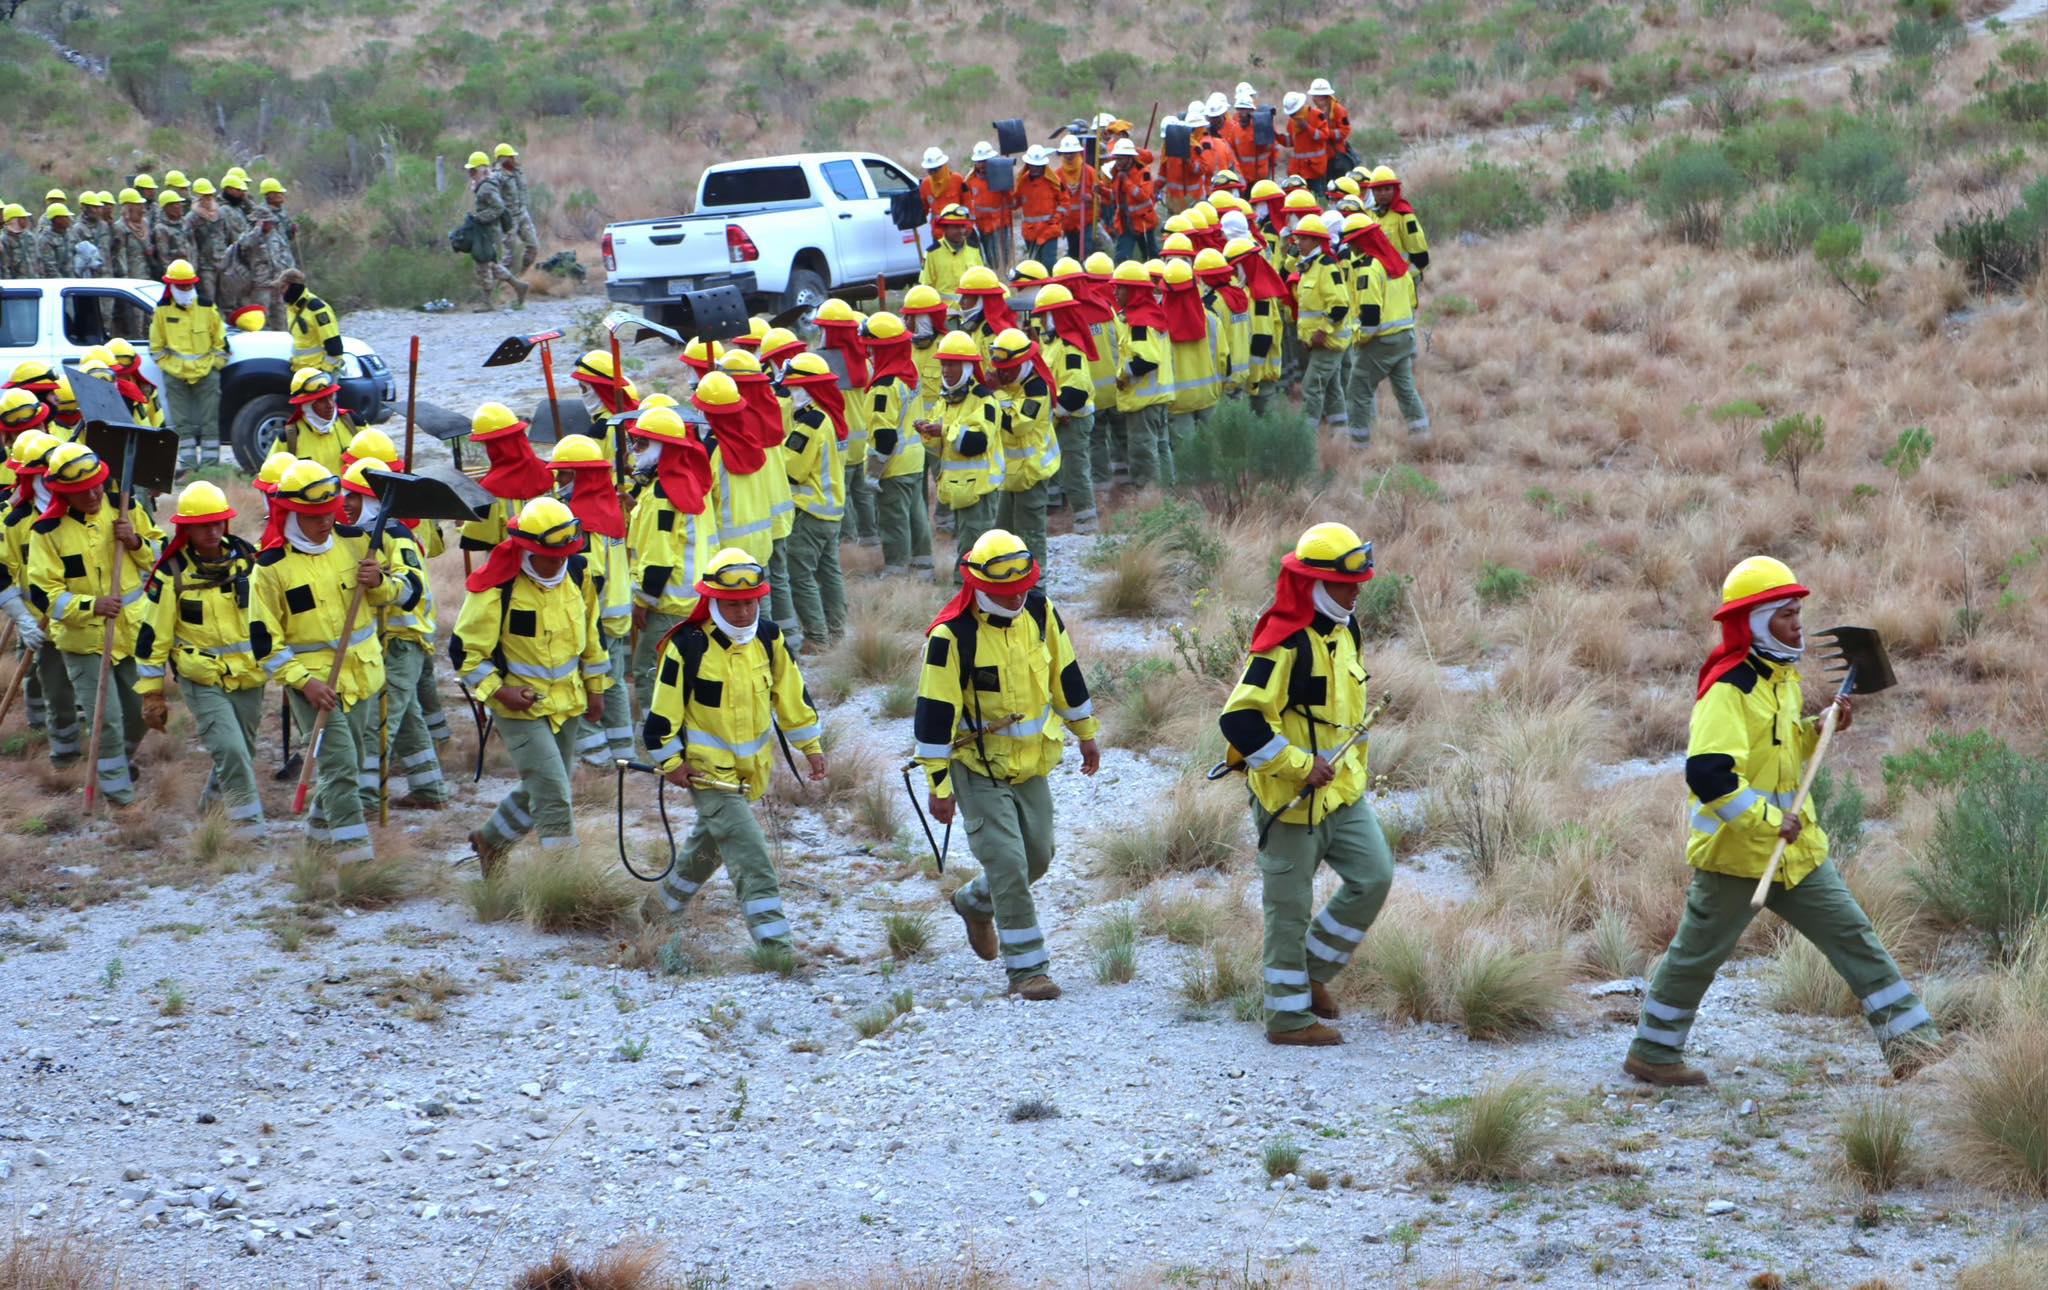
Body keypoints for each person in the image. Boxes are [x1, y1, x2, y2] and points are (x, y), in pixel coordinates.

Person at [1627, 557, 1940, 1086]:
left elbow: (1778, 748)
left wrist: (1818, 728)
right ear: (1754, 622)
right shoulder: (1728, 689)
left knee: (1855, 938)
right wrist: (1768, 821)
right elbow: (1708, 774)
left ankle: (1916, 1050)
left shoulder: (1782, 679)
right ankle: (1653, 1054)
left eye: (1798, 613)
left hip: (1798, 854)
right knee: (1695, 957)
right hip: (1735, 858)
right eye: (1786, 614)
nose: (1798, 624)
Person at [1218, 522, 1392, 1046]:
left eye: (1359, 582)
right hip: (1289, 804)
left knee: (1374, 876)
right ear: (1314, 583)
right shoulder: (1282, 644)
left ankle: (1311, 973)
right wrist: (1298, 765)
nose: (1357, 591)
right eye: (1346, 583)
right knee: (1288, 913)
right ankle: (1288, 1019)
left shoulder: (1346, 629)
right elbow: (1239, 721)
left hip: (1342, 795)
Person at [914, 529, 1100, 1000]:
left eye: (1022, 586)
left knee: (1038, 857)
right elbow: (934, 716)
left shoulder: (1040, 611)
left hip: (1031, 765)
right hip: (977, 769)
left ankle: (975, 903)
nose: (1016, 596)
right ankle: (1027, 971)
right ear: (979, 585)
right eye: (1005, 590)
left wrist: (1085, 733)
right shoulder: (951, 636)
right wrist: (939, 785)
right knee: (1009, 863)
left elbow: (1066, 673)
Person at [642, 546, 827, 950]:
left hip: (751, 773)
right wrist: (671, 763)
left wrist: (811, 747)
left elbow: (792, 697)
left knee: (710, 844)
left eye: (750, 602)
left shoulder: (769, 638)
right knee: (750, 853)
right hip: (707, 774)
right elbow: (661, 717)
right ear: (713, 602)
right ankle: (775, 947)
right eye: (732, 604)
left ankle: (659, 910)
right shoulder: (686, 646)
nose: (743, 612)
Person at [250, 460, 403, 862]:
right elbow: (264, 644)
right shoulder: (270, 568)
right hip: (315, 688)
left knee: (350, 762)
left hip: (364, 678)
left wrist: (380, 582)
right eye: (313, 516)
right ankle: (357, 862)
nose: (325, 522)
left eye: (328, 512)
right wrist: (304, 683)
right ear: (290, 513)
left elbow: (401, 594)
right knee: (340, 767)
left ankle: (316, 846)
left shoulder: (357, 543)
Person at [456, 496, 609, 874]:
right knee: (553, 790)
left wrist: (596, 688)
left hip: (568, 702)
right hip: (518, 707)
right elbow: (465, 654)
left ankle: (491, 841)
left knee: (546, 782)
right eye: (550, 555)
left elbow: (593, 635)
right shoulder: (497, 584)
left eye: (565, 553)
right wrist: (499, 692)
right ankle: (564, 877)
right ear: (527, 548)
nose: (559, 561)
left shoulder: (579, 573)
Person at [27, 443, 163, 808]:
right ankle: (120, 800)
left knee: (141, 714)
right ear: (63, 493)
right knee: (107, 719)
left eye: (96, 486)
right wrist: (91, 606)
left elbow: (161, 554)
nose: (92, 495)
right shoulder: (47, 531)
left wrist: (135, 541)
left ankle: (117, 764)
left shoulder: (125, 507)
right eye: (81, 490)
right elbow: (45, 595)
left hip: (130, 633)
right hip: (82, 640)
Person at [133, 480, 267, 835]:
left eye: (217, 522)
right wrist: (152, 692)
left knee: (241, 751)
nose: (212, 531)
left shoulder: (249, 562)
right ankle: (249, 830)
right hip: (202, 678)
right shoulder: (171, 573)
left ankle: (210, 807)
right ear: (186, 529)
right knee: (231, 750)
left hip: (249, 675)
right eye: (202, 525)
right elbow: (153, 637)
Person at [337, 459, 446, 814]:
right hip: (384, 641)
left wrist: (381, 582)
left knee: (378, 724)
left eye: (353, 496)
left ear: (372, 498)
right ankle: (429, 789)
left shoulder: (395, 534)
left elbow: (413, 588)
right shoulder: (364, 535)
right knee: (409, 721)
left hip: (402, 642)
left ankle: (366, 800)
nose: (345, 503)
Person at [621, 405, 716, 753]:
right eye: (635, 442)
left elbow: (659, 560)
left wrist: (642, 602)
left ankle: (657, 740)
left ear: (663, 447)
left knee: (648, 668)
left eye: (642, 443)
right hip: (694, 598)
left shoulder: (662, 495)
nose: (635, 450)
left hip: (668, 603)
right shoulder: (684, 484)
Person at [778, 352, 848, 650]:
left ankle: (817, 638)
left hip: (810, 513)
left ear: (809, 388)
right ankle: (837, 631)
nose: (790, 393)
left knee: (800, 575)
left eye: (794, 387)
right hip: (831, 511)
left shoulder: (811, 422)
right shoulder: (828, 417)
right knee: (829, 573)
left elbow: (792, 470)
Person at [920, 331, 1004, 573]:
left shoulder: (984, 400)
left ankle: (966, 588)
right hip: (956, 490)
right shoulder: (944, 400)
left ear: (967, 366)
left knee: (975, 550)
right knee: (967, 548)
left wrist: (944, 431)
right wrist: (927, 433)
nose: (946, 370)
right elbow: (938, 449)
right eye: (943, 364)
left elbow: (978, 443)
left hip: (978, 491)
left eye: (952, 364)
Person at [1341, 213, 1429, 444]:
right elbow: (1413, 302)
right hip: (1405, 338)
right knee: (1405, 389)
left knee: (1358, 390)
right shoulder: (1397, 264)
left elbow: (1370, 315)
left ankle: (1358, 445)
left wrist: (1361, 339)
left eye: (1351, 242)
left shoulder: (1369, 269)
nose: (1350, 247)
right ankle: (1422, 437)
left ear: (1361, 242)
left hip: (1380, 341)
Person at [858, 311, 932, 576]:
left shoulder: (884, 387)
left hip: (894, 464)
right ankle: (924, 568)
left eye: (871, 348)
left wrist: (873, 472)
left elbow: (885, 436)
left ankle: (896, 571)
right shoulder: (909, 372)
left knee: (894, 520)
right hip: (914, 459)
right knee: (917, 515)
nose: (868, 353)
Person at [986, 328, 1059, 565]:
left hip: (1031, 473)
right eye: (1000, 368)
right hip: (1008, 475)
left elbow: (1015, 424)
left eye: (1008, 368)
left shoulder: (1037, 388)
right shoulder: (1009, 384)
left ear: (1023, 363)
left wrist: (996, 392)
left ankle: (1038, 580)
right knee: (1003, 533)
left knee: (1030, 534)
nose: (1003, 373)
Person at [147, 260, 227, 473]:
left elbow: (221, 342)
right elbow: (156, 347)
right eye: (181, 286)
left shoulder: (207, 307)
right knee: (181, 423)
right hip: (175, 376)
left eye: (189, 285)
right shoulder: (162, 310)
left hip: (206, 373)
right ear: (172, 286)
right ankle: (189, 466)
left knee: (210, 421)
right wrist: (171, 368)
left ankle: (210, 467)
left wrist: (214, 367)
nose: (185, 289)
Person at [1030, 282, 1098, 534]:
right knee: (1062, 470)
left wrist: (1058, 412)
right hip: (1064, 418)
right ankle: (1063, 515)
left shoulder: (1070, 348)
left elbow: (1076, 392)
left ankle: (1086, 522)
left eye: (1044, 316)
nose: (1040, 321)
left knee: (1075, 472)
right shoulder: (1053, 344)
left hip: (1074, 420)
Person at [814, 299, 877, 550]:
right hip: (864, 439)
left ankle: (848, 543)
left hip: (840, 439)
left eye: (823, 328)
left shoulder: (822, 364)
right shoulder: (866, 361)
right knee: (863, 494)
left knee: (843, 493)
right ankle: (871, 538)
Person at [1111, 259, 1175, 487]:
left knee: (1143, 450)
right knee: (1161, 447)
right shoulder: (1151, 314)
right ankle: (1168, 491)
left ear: (1134, 291)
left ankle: (1150, 495)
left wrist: (1122, 375)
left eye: (1120, 288)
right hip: (1158, 396)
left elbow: (1147, 360)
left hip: (1145, 401)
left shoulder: (1139, 322)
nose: (1115, 293)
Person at [1290, 215, 1350, 432]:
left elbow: (1340, 305)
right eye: (1298, 238)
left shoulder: (1327, 266)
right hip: (1316, 342)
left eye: (1304, 239)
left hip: (1328, 342)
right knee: (1333, 389)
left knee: (1311, 387)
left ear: (1316, 241)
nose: (1299, 243)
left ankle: (1307, 438)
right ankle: (1340, 435)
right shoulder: (1309, 266)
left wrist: (1322, 332)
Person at [465, 151, 526, 311]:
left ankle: (487, 302)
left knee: (482, 264)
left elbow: (498, 207)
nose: (470, 173)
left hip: (489, 231)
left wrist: (479, 218)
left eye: (473, 170)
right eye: (470, 170)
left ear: (482, 169)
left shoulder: (486, 187)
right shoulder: (484, 184)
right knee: (491, 264)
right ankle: (518, 286)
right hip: (489, 230)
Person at [282, 368, 354, 475]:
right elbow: (272, 477)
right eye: (321, 400)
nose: (330, 405)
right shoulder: (290, 436)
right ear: (306, 405)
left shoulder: (352, 422)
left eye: (331, 397)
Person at [1102, 139, 1160, 262]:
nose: (1118, 162)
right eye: (1117, 158)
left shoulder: (1143, 172)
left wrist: (1127, 182)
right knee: (1121, 257)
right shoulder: (1117, 173)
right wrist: (1101, 191)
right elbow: (1116, 197)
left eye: (1121, 159)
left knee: (1151, 256)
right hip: (1125, 223)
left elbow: (1144, 196)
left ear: (1130, 158)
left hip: (1143, 222)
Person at [962, 142, 1015, 275]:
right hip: (983, 226)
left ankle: (1005, 277)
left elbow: (1012, 201)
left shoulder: (1000, 177)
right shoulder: (970, 181)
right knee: (991, 258)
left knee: (1003, 258)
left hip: (1000, 225)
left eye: (984, 161)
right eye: (979, 162)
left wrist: (1007, 187)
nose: (981, 165)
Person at [917, 204, 983, 307]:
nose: (961, 231)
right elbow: (926, 288)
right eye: (956, 227)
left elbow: (981, 280)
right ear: (945, 228)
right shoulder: (932, 253)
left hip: (971, 310)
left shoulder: (974, 249)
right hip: (945, 311)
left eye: (963, 226)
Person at [1366, 167, 1430, 272]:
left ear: (1395, 190)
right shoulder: (1372, 215)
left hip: (1406, 274)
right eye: (1378, 190)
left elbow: (1417, 246)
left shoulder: (1404, 214)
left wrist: (1415, 271)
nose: (1383, 193)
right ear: (1372, 192)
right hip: (1384, 274)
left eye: (1387, 189)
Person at [283, 269, 343, 376]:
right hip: (301, 372)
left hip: (319, 372)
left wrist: (325, 371)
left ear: (293, 286)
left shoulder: (317, 308)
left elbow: (334, 346)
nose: (280, 291)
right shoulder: (292, 309)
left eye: (283, 287)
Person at [494, 143, 540, 276]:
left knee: (533, 247)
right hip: (508, 219)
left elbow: (523, 190)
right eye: (510, 157)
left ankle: (519, 277)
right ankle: (498, 283)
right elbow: (492, 197)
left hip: (522, 214)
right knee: (509, 256)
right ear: (502, 159)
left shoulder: (517, 171)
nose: (514, 159)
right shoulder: (496, 176)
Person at [1015, 146, 1063, 271]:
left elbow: (1065, 202)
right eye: (1032, 165)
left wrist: (1055, 219)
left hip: (1049, 230)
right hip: (1030, 232)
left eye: (1038, 166)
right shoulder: (1022, 182)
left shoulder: (1054, 181)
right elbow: (1015, 203)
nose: (1035, 168)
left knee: (1048, 264)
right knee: (1034, 268)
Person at [918, 147, 967, 248]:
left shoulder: (957, 180)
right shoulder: (925, 184)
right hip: (938, 234)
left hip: (957, 233)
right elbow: (923, 209)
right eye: (930, 170)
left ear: (943, 166)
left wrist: (969, 226)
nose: (933, 173)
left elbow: (967, 204)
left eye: (935, 169)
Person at [1282, 92, 1330, 188]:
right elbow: (1291, 142)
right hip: (1297, 171)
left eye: (1294, 113)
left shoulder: (1317, 115)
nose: (1292, 116)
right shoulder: (1292, 122)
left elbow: (1324, 136)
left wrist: (1307, 128)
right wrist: (1275, 135)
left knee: (1317, 195)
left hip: (1314, 170)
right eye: (1291, 114)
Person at [1308, 78, 1354, 173]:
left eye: (1319, 96)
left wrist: (1326, 133)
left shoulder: (1338, 110)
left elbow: (1345, 131)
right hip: (1322, 159)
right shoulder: (1314, 112)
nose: (1316, 99)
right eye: (1315, 96)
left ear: (1326, 96)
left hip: (1336, 157)